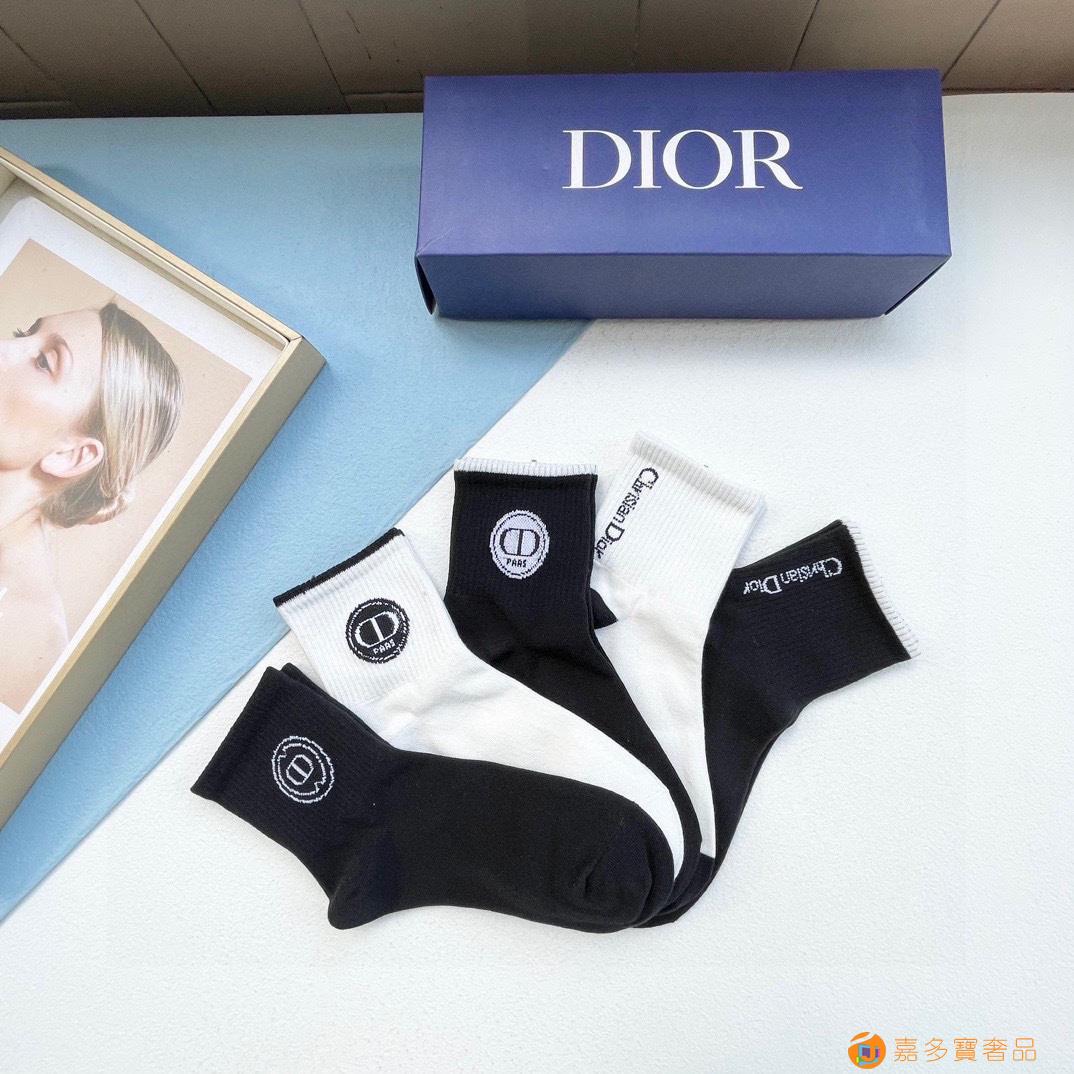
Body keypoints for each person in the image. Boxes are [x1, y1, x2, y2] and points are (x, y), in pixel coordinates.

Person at [0, 302, 182, 717]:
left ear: (70, 455)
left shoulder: (25, 636)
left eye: (44, 362)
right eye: (23, 334)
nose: (3, 348)